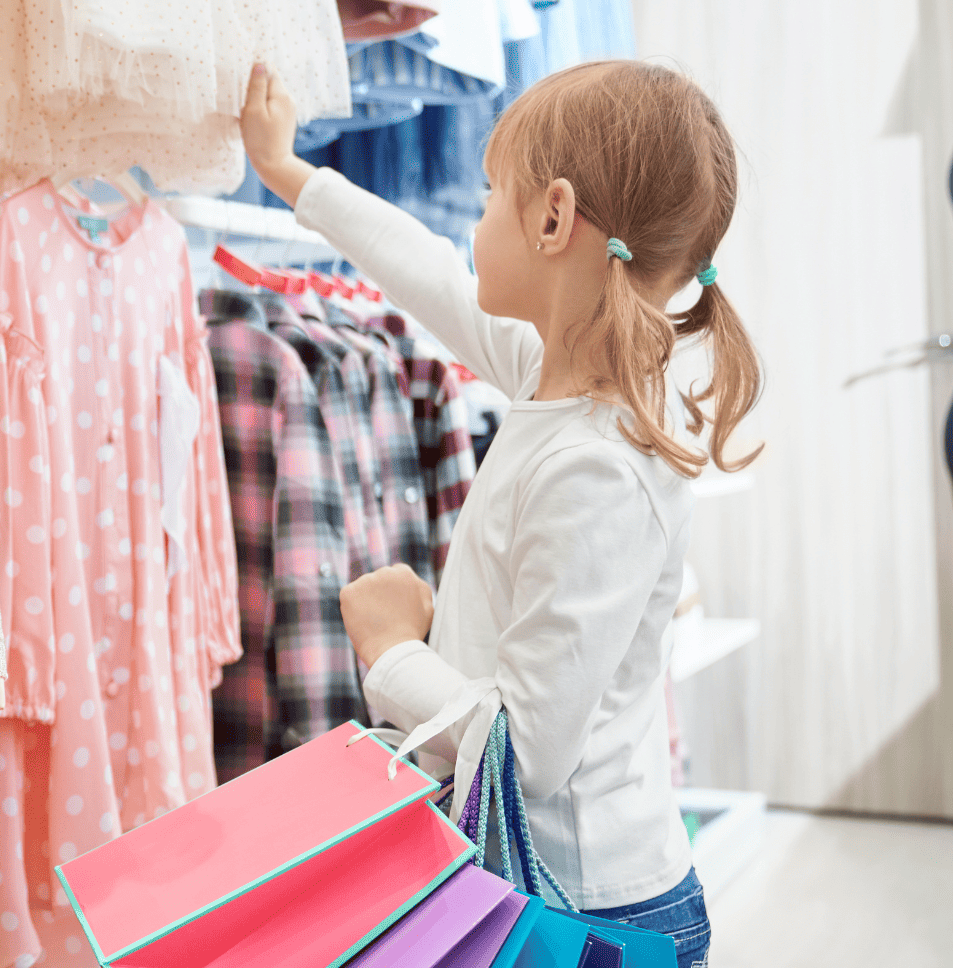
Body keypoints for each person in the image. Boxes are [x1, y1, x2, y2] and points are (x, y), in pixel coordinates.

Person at [240, 59, 762, 968]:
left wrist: (393, 647)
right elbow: (429, 275)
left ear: (553, 217)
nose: (474, 224)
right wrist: (287, 172)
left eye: (490, 197)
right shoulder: (551, 380)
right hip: (554, 886)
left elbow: (523, 760)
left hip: (590, 911)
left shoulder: (596, 465)